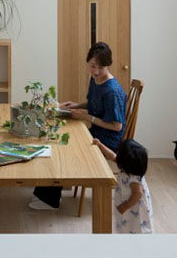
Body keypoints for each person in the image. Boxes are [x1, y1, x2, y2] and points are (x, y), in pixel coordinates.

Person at [29, 41, 127, 210]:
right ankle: (51, 192)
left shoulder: (112, 91)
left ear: (107, 65)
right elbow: (93, 104)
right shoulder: (95, 79)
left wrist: (88, 118)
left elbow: (117, 126)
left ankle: (50, 199)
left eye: (100, 68)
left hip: (107, 139)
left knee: (63, 146)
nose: (95, 72)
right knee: (57, 138)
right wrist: (75, 105)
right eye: (92, 66)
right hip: (96, 131)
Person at [93, 138, 155, 233]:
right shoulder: (126, 166)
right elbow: (112, 156)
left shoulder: (134, 178)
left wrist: (124, 206)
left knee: (136, 227)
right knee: (125, 225)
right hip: (127, 204)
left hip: (135, 207)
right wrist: (100, 145)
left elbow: (137, 193)